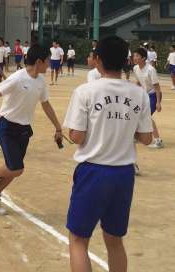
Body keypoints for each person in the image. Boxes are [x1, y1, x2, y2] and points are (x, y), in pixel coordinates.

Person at [64, 36, 153, 272]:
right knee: (114, 240)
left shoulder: (85, 91)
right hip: (124, 174)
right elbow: (147, 138)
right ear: (125, 60)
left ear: (98, 59)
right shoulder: (139, 94)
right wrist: (123, 128)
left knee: (78, 239)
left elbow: (77, 136)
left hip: (93, 171)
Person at [0, 45, 63, 215]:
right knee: (16, 168)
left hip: (24, 129)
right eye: (48, 61)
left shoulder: (41, 81)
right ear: (39, 62)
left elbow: (46, 104)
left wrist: (58, 127)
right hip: (7, 126)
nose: (49, 64)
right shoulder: (18, 78)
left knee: (14, 169)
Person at [133, 47, 164, 149]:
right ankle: (138, 136)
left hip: (154, 95)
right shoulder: (135, 68)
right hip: (144, 95)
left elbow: (157, 87)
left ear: (143, 58)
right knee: (137, 114)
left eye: (137, 56)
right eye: (134, 55)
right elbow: (138, 82)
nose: (134, 57)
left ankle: (158, 141)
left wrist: (158, 102)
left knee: (146, 117)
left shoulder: (151, 70)